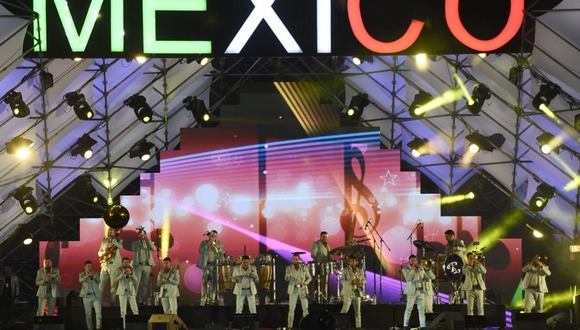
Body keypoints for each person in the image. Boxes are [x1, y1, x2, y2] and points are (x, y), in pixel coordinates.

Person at [197, 230, 225, 305]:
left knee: (214, 283)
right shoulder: (204, 243)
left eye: (215, 236)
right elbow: (200, 251)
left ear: (217, 236)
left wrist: (218, 248)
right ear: (210, 236)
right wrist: (207, 245)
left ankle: (213, 299)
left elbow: (223, 252)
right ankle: (203, 299)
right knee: (204, 282)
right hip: (206, 265)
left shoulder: (220, 244)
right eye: (212, 236)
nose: (214, 237)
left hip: (215, 266)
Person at [285, 253, 312, 328]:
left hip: (302, 289)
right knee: (291, 309)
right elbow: (286, 279)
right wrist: (288, 274)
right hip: (293, 289)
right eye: (293, 259)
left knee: (305, 309)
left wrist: (305, 283)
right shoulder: (288, 267)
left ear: (299, 259)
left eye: (296, 259)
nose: (295, 260)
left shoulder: (304, 267)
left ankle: (305, 326)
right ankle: (289, 326)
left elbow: (309, 277)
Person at [98, 227, 123, 305]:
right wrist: (103, 253)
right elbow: (99, 252)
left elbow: (120, 246)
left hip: (113, 265)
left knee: (113, 285)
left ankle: (112, 302)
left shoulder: (118, 240)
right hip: (105, 265)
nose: (109, 233)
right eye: (109, 232)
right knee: (100, 285)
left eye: (111, 232)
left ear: (115, 233)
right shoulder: (104, 241)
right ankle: (99, 301)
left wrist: (114, 240)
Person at [131, 227, 156, 305]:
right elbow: (133, 248)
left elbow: (154, 248)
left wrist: (147, 240)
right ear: (139, 235)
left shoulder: (149, 242)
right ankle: (133, 300)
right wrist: (140, 241)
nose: (142, 235)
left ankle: (141, 300)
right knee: (136, 283)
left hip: (147, 265)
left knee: (144, 284)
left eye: (144, 234)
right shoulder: (135, 243)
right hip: (138, 265)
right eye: (141, 234)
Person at [402, 255, 427, 329]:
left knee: (421, 309)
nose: (414, 262)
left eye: (415, 260)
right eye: (412, 261)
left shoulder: (420, 268)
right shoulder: (405, 269)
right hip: (411, 292)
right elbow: (408, 279)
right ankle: (405, 325)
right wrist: (412, 270)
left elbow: (424, 276)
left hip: (420, 291)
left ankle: (423, 326)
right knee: (409, 309)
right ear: (409, 261)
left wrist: (426, 277)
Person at [340, 255, 365, 329]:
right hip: (348, 293)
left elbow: (364, 280)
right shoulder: (345, 270)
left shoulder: (359, 271)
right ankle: (339, 324)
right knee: (345, 309)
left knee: (358, 311)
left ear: (356, 262)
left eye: (354, 261)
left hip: (357, 292)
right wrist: (351, 282)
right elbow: (343, 281)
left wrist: (360, 281)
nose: (352, 262)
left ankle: (358, 327)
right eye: (351, 261)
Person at [116, 257, 139, 327]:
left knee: (135, 310)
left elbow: (136, 280)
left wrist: (131, 273)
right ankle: (124, 327)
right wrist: (123, 274)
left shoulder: (132, 270)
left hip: (131, 292)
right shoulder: (119, 269)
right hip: (122, 292)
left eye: (127, 262)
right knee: (123, 311)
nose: (126, 263)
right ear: (122, 263)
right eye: (125, 262)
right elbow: (116, 279)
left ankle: (137, 326)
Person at [79, 260, 102, 330]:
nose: (89, 268)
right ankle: (90, 328)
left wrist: (93, 276)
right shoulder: (82, 274)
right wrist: (87, 276)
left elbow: (99, 281)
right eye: (88, 266)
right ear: (85, 267)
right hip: (86, 296)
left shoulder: (96, 273)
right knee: (88, 315)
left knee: (99, 314)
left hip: (95, 296)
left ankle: (98, 328)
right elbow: (81, 280)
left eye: (91, 266)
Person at [310, 231, 331, 302]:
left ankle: (324, 300)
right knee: (316, 285)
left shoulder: (327, 245)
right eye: (323, 237)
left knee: (325, 285)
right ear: (320, 237)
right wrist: (320, 258)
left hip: (325, 267)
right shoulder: (315, 244)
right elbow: (313, 255)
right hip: (317, 267)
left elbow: (330, 255)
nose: (325, 238)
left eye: (326, 237)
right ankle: (313, 300)